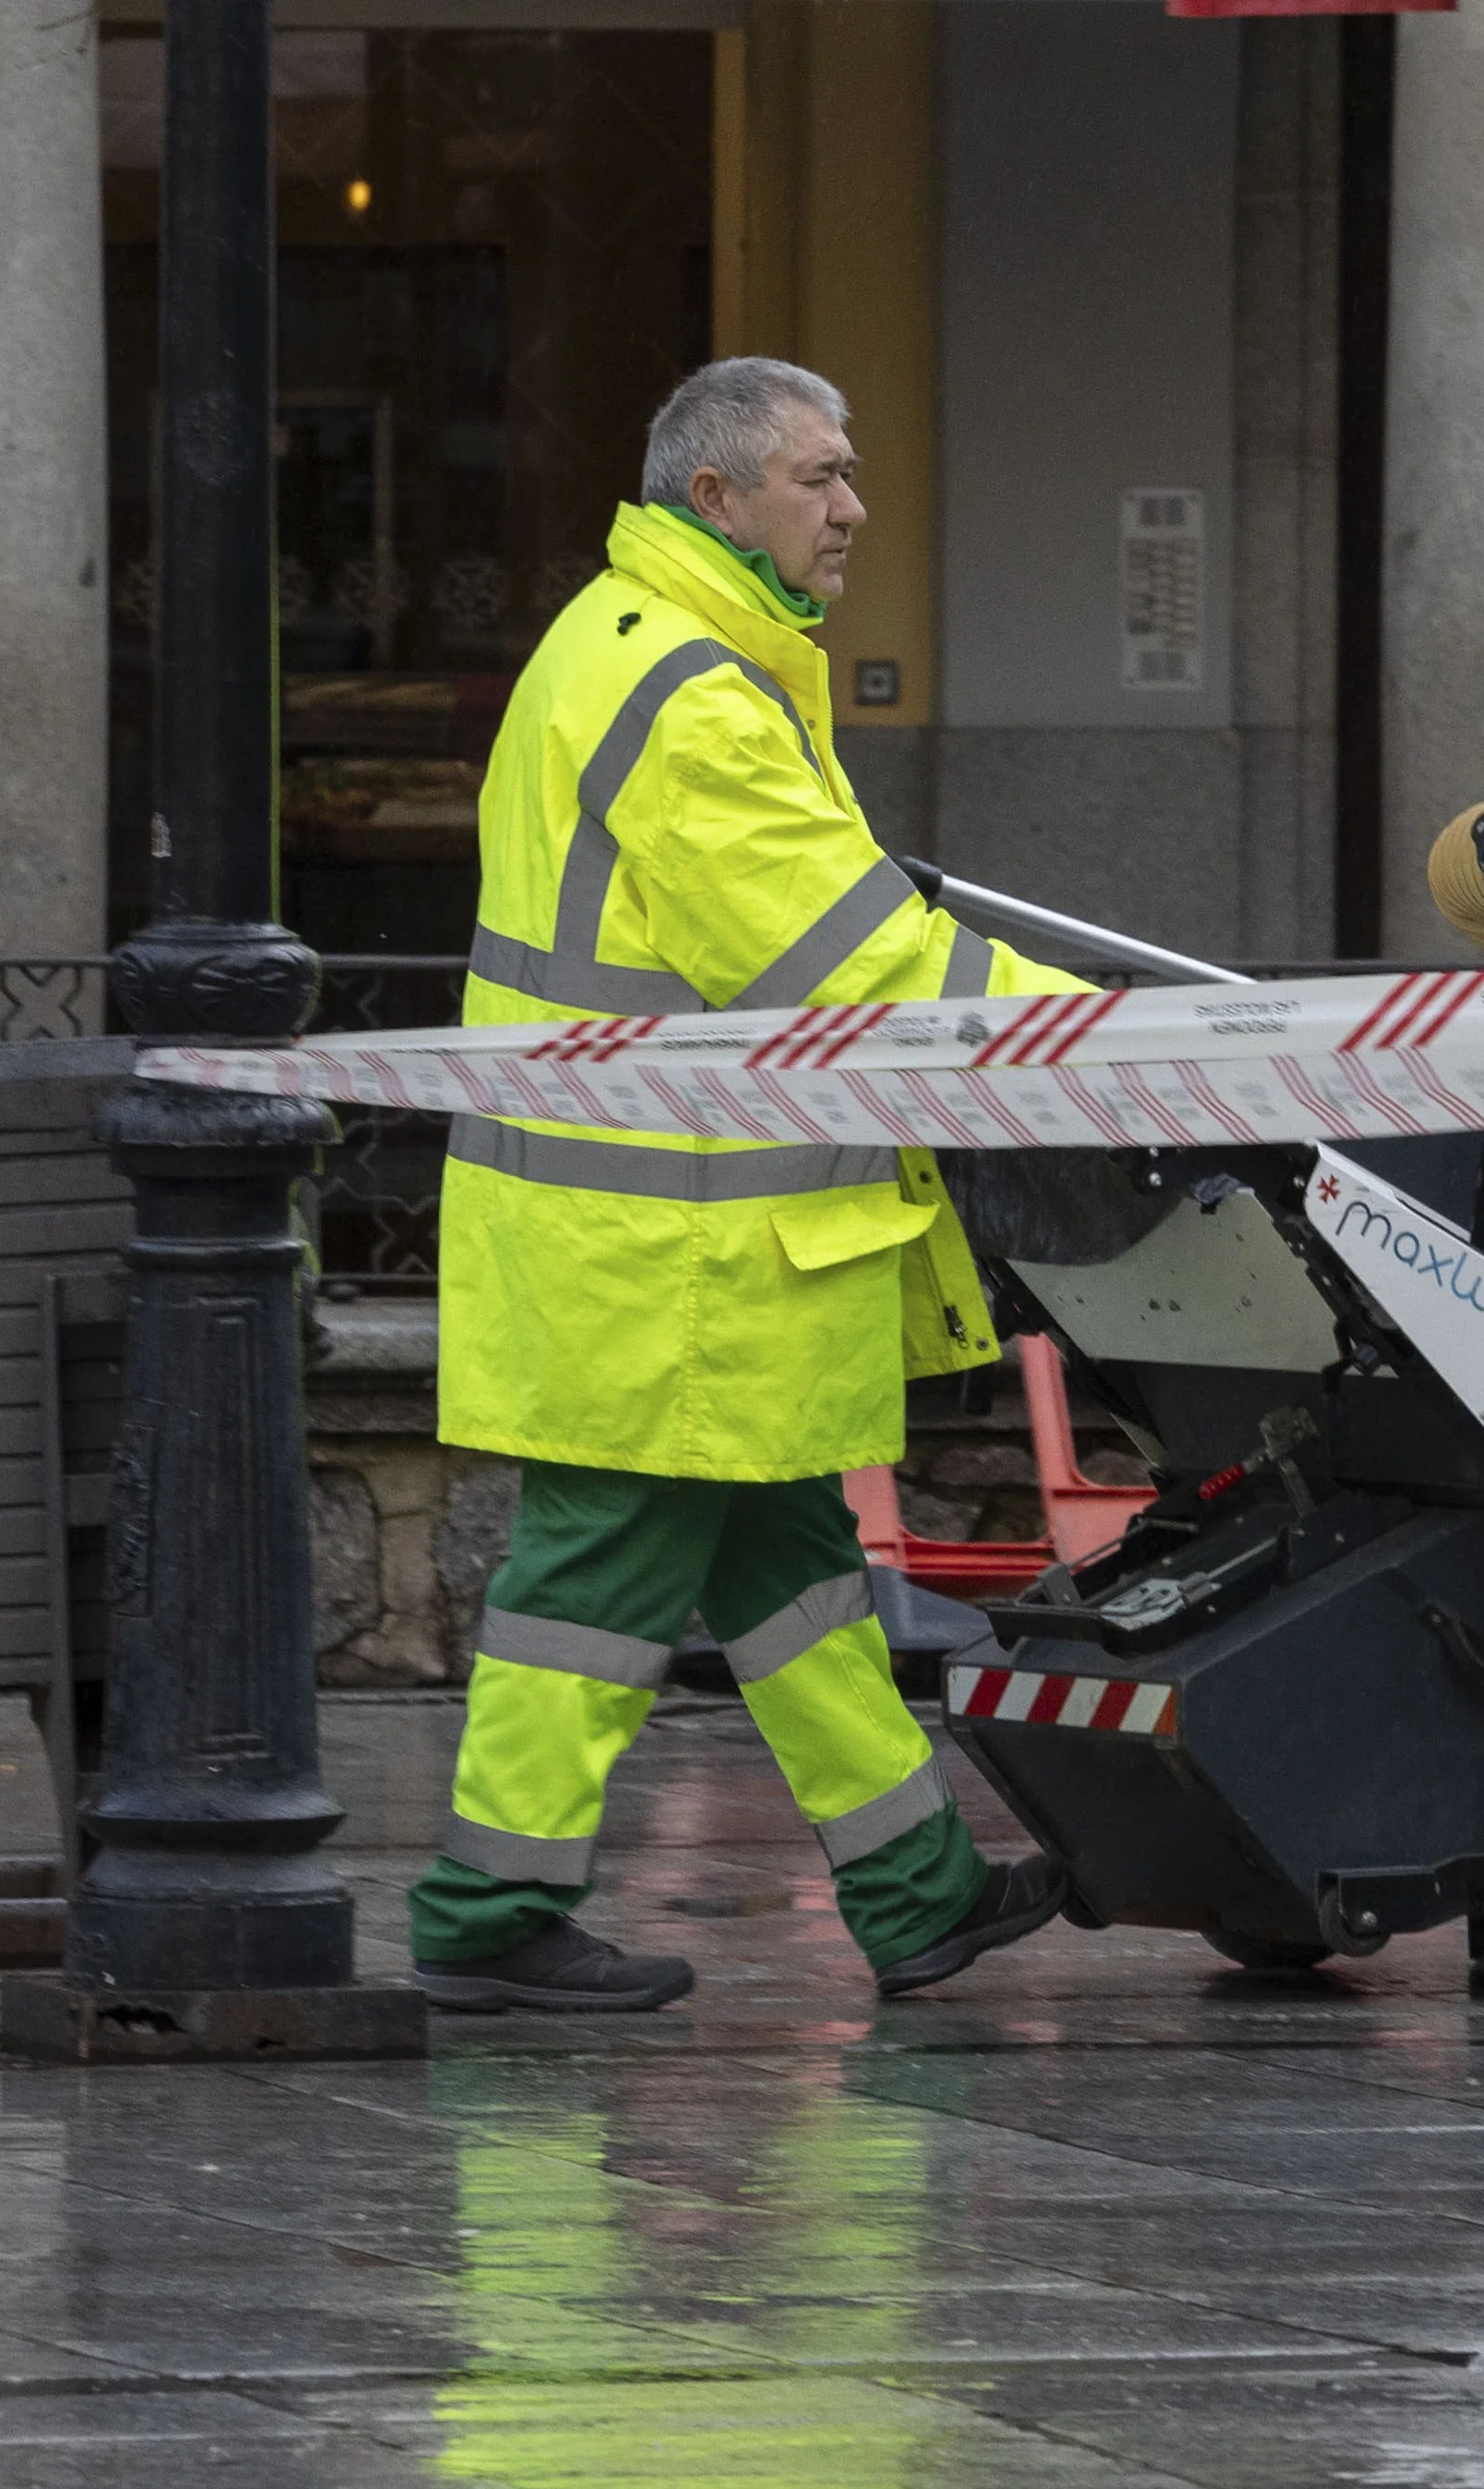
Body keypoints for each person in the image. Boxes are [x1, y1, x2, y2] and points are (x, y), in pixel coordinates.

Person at [410, 357, 1083, 2014]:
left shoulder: (638, 645)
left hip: (659, 1228)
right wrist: (1100, 1040)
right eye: (819, 477)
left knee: (787, 1574)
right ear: (716, 496)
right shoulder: (688, 687)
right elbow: (846, 956)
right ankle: (483, 1919)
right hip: (672, 1242)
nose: (853, 507)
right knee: (592, 1575)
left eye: (852, 475)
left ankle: (915, 1889)